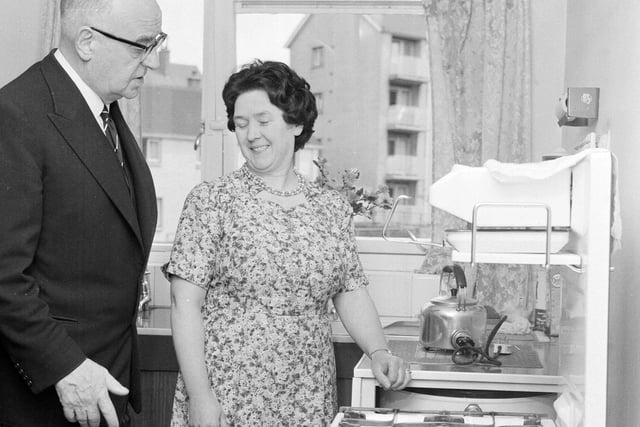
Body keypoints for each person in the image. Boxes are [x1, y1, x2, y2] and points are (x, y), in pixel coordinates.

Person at [165, 60, 412, 427]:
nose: (251, 134)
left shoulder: (330, 208)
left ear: (296, 123)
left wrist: (378, 351)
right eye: (241, 123)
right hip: (227, 392)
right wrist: (201, 397)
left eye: (263, 121)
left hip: (308, 393)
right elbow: (183, 306)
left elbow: (350, 291)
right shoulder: (211, 200)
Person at [0, 1, 162, 426]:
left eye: (156, 43)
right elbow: (2, 275)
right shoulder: (16, 114)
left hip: (108, 383)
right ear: (87, 41)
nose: (154, 61)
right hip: (50, 394)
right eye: (142, 47)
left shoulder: (104, 111)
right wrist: (67, 368)